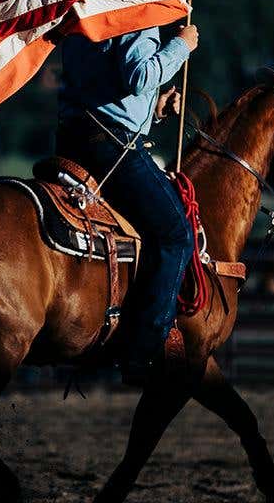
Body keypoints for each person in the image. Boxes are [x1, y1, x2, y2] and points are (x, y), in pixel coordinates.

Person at [56, 22, 200, 384]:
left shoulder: (88, 13)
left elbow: (106, 84)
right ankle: (145, 351)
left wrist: (152, 107)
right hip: (111, 147)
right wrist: (181, 46)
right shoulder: (135, 10)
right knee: (176, 234)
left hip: (72, 139)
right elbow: (139, 74)